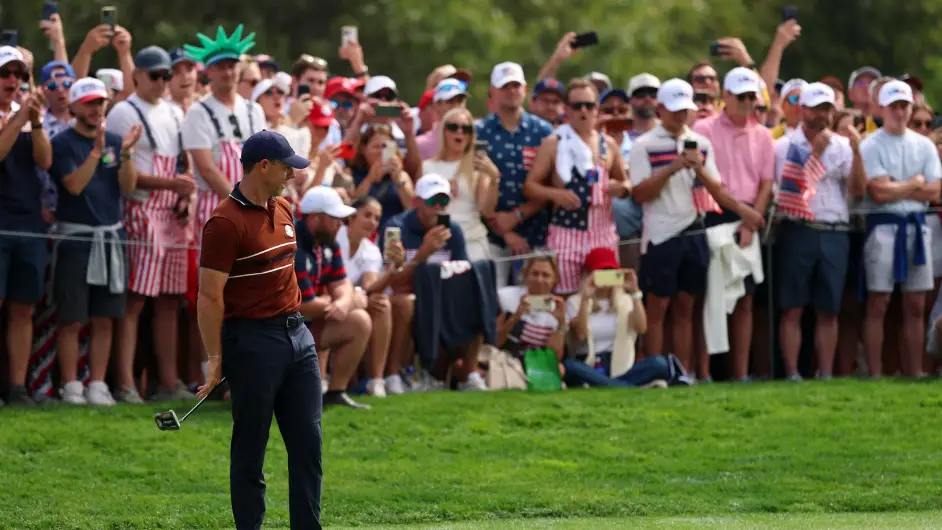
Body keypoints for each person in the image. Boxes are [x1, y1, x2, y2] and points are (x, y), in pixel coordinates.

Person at [197, 130, 322, 529]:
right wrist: (215, 359)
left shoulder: (282, 207)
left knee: (308, 445)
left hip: (298, 338)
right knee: (251, 449)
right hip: (252, 343)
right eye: (286, 166)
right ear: (264, 166)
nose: (292, 173)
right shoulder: (224, 223)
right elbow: (209, 297)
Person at [107, 46, 196, 403]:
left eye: (166, 76)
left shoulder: (175, 112)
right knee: (135, 300)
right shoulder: (121, 112)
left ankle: (168, 381)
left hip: (172, 211)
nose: (162, 82)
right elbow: (119, 173)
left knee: (171, 301)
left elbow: (182, 165)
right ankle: (126, 383)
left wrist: (186, 196)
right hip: (140, 209)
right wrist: (171, 185)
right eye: (155, 76)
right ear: (136, 76)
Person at [48, 78, 142, 405]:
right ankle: (72, 384)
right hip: (76, 238)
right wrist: (98, 152)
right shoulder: (61, 143)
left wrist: (126, 154)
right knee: (73, 317)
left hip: (111, 237)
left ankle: (98, 383)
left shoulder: (117, 141)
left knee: (105, 316)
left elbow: (127, 186)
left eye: (100, 102)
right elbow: (73, 186)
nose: (95, 109)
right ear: (73, 107)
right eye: (88, 103)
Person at [861, 80, 942, 378]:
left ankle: (915, 369)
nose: (900, 112)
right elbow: (878, 193)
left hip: (917, 225)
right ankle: (875, 370)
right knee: (879, 300)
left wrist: (898, 186)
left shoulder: (924, 146)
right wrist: (914, 184)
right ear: (883, 109)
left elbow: (934, 191)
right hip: (884, 226)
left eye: (904, 106)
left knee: (916, 303)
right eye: (894, 106)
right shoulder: (871, 144)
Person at [524, 78, 629, 294]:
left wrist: (622, 188)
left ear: (597, 109)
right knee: (564, 296)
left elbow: (627, 181)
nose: (583, 111)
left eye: (589, 105)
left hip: (603, 234)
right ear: (567, 110)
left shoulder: (608, 144)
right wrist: (555, 194)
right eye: (577, 106)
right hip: (566, 234)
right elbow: (530, 186)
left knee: (608, 295)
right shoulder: (553, 144)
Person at [0, 47, 53, 405]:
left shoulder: (28, 113)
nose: (13, 81)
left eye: (18, 74)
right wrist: (18, 121)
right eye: (5, 73)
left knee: (23, 306)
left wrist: (34, 121)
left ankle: (17, 387)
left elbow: (45, 160)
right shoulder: (10, 117)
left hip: (28, 222)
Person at [295, 186, 372, 409]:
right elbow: (303, 305)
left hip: (303, 328)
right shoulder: (294, 247)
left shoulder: (328, 243)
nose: (341, 223)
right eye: (335, 218)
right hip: (277, 332)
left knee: (359, 321)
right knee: (356, 314)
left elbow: (341, 282)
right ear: (316, 218)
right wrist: (344, 301)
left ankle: (336, 391)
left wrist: (344, 301)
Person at [336, 197, 400, 396]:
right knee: (376, 302)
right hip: (331, 300)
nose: (372, 222)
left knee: (382, 304)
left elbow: (370, 286)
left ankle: (376, 380)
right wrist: (358, 296)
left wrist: (394, 270)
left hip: (353, 303)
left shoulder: (371, 250)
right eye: (367, 215)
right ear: (352, 216)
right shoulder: (334, 238)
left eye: (377, 218)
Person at [422, 107, 500, 261]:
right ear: (444, 131)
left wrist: (494, 179)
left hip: (472, 241)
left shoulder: (477, 167)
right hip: (438, 241)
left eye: (466, 129)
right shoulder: (427, 167)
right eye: (453, 127)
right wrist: (440, 195)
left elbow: (487, 211)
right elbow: (418, 207)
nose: (460, 132)